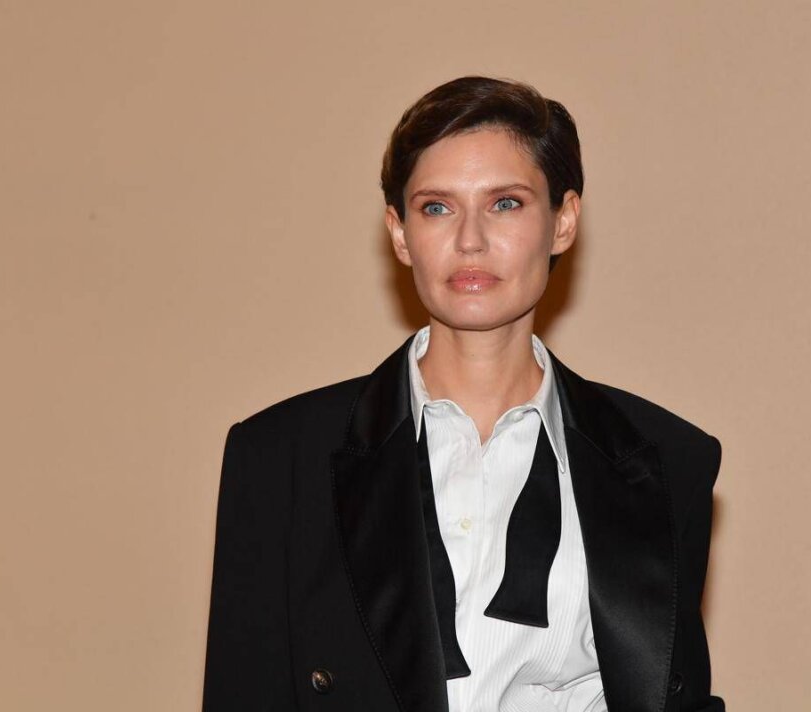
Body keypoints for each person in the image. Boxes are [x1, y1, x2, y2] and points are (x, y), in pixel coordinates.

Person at [202, 76, 725, 712]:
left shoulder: (668, 459)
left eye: (505, 203)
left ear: (563, 221)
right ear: (399, 233)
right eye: (437, 208)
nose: (470, 240)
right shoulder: (280, 457)